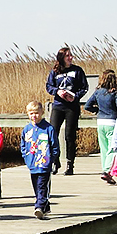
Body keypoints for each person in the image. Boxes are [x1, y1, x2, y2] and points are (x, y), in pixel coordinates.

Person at [45, 46, 88, 175]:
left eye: (71, 55)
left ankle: (70, 164)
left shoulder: (77, 70)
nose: (70, 58)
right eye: (67, 56)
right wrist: (57, 91)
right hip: (58, 105)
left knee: (70, 136)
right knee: (53, 133)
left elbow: (84, 87)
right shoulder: (55, 71)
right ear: (62, 58)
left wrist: (75, 96)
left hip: (72, 107)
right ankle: (55, 161)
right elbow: (49, 86)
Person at [83, 69, 117, 184]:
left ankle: (104, 170)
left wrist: (98, 110)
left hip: (100, 122)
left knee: (104, 148)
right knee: (113, 148)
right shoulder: (115, 93)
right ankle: (107, 171)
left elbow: (87, 106)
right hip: (112, 122)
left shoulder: (98, 92)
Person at [20, 101, 58, 219]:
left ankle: (39, 207)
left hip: (44, 163)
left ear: (41, 113)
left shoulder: (48, 128)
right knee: (36, 187)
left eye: (36, 113)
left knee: (42, 186)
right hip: (32, 163)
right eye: (31, 113)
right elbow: (23, 144)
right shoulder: (27, 129)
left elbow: (55, 146)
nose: (34, 116)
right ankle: (45, 205)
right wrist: (26, 157)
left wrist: (52, 159)